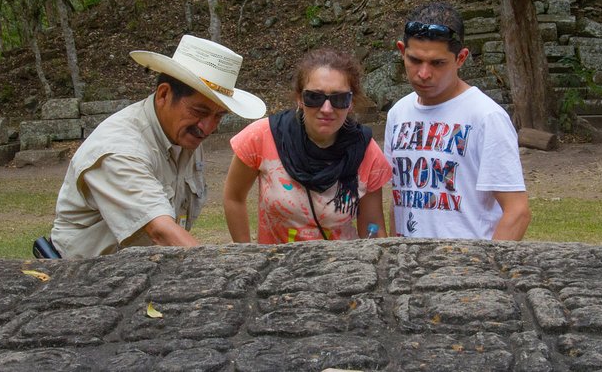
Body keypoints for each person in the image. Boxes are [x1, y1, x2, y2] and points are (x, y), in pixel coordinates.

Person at [49, 35, 266, 258]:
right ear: (163, 94)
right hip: (79, 279)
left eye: (219, 116)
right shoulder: (121, 149)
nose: (208, 127)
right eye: (199, 112)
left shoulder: (183, 134)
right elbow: (161, 232)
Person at [384, 1, 531, 240]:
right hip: (410, 266)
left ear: (461, 58)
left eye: (437, 63)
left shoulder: (485, 117)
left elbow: (517, 212)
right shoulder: (398, 114)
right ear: (402, 51)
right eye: (414, 60)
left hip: (464, 267)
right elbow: (399, 199)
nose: (423, 73)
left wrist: (487, 271)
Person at [224, 48, 392, 243]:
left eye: (339, 99)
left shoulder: (366, 152)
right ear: (300, 98)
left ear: (351, 102)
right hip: (276, 269)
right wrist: (247, 255)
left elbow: (373, 227)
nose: (326, 109)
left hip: (342, 268)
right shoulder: (262, 137)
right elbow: (233, 197)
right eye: (315, 97)